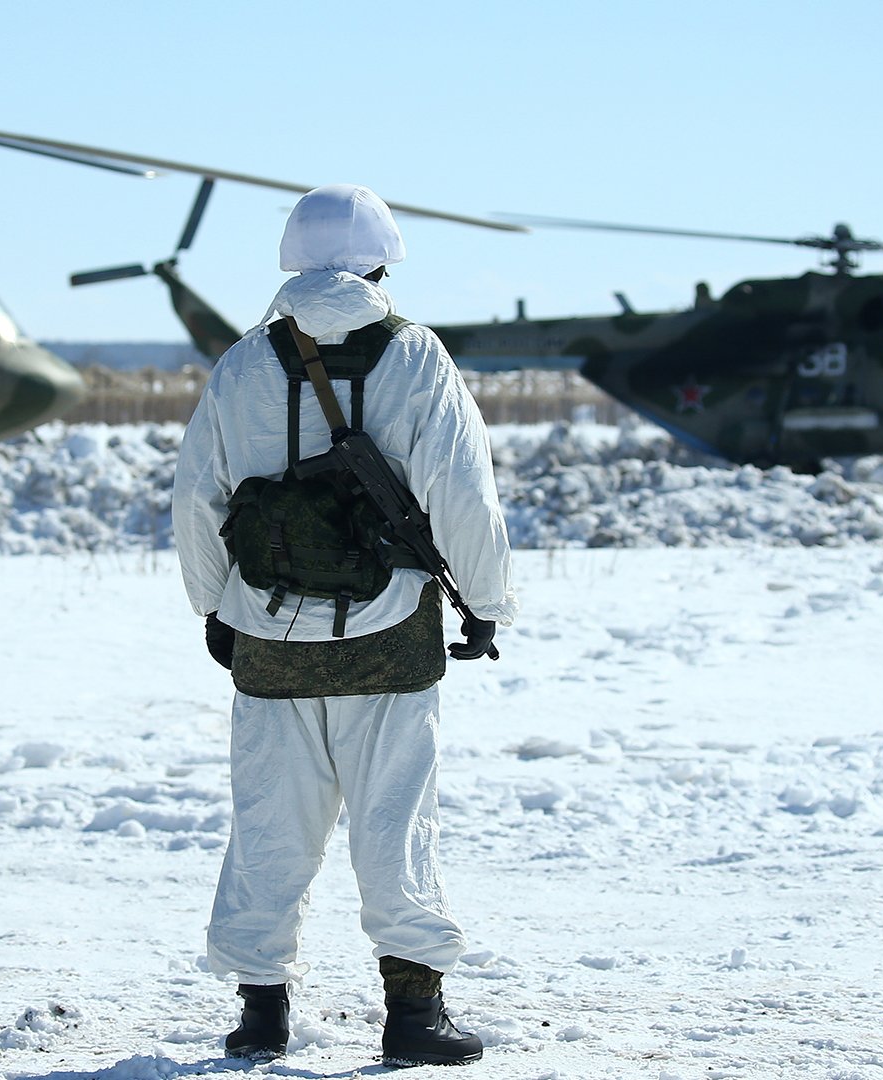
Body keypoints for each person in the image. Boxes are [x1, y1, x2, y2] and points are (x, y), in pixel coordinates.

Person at [171, 184, 517, 1067]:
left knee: (269, 824)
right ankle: (413, 1016)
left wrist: (213, 606)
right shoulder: (416, 358)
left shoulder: (243, 362)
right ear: (381, 261)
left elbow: (198, 497)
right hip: (390, 630)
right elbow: (462, 494)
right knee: (395, 820)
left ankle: (260, 1015)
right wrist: (484, 604)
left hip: (267, 634)